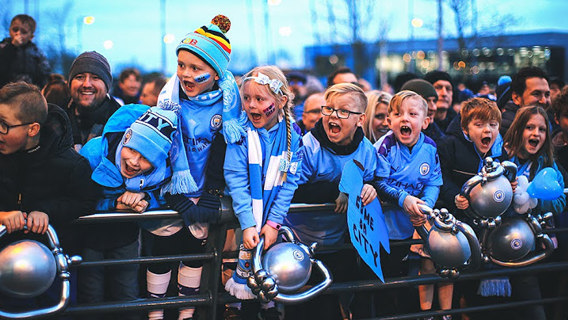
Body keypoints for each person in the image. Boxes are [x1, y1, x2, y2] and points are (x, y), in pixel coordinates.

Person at [155, 14, 245, 320]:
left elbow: (227, 152)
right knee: (160, 257)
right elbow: (157, 149)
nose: (186, 74)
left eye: (196, 68)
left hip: (205, 195)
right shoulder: (167, 100)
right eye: (181, 65)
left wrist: (212, 190)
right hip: (170, 191)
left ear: (216, 72)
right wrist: (168, 188)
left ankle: (187, 316)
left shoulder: (229, 105)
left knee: (194, 257)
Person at [0, 82, 98, 309]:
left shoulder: (72, 165)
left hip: (51, 268)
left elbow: (86, 201)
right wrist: (2, 215)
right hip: (4, 264)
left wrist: (47, 211)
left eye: (4, 125)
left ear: (32, 129)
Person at [285, 83, 377, 320]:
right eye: (329, 109)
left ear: (360, 119)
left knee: (349, 299)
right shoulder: (308, 146)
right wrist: (334, 190)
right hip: (299, 241)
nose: (334, 116)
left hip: (339, 242)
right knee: (306, 309)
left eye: (344, 111)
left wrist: (369, 188)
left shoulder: (366, 150)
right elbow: (291, 189)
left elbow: (377, 179)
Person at [78, 104, 180, 319]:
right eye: (132, 149)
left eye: (146, 158)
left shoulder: (163, 173)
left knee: (127, 297)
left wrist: (145, 198)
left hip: (127, 238)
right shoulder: (93, 153)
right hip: (88, 238)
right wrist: (115, 205)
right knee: (90, 298)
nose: (134, 161)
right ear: (126, 138)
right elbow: (77, 200)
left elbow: (167, 198)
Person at [223, 65, 301, 320]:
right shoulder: (239, 133)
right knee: (231, 272)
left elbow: (289, 181)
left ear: (281, 101)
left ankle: (268, 311)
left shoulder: (293, 136)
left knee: (267, 281)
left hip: (271, 223)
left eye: (260, 99)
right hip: (239, 220)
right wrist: (248, 223)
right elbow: (235, 178)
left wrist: (273, 222)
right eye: (247, 98)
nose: (252, 106)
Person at [437, 98, 512, 320]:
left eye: (492, 125)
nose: (487, 130)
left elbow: (505, 179)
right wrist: (455, 197)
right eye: (479, 124)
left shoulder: (499, 152)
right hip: (458, 230)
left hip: (487, 231)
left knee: (477, 293)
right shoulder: (449, 145)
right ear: (466, 129)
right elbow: (440, 177)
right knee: (456, 283)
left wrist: (510, 184)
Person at [374, 90, 443, 318]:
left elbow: (434, 181)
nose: (405, 118)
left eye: (412, 114)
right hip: (384, 231)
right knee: (386, 289)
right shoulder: (384, 147)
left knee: (411, 287)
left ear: (425, 122)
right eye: (397, 113)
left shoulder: (431, 147)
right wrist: (404, 199)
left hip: (415, 228)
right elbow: (378, 182)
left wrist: (425, 206)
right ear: (389, 120)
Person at [503, 106, 566, 320]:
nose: (535, 134)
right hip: (495, 245)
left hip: (529, 249)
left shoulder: (547, 163)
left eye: (541, 129)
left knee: (534, 311)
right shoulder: (499, 156)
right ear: (519, 129)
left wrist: (534, 199)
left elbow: (561, 200)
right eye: (529, 127)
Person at [66, 51, 121, 151]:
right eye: (80, 77)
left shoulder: (121, 123)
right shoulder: (57, 119)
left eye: (95, 78)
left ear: (107, 86)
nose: (87, 84)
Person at [0, 14, 50, 88]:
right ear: (10, 30)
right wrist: (12, 47)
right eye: (15, 29)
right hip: (5, 91)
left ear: (31, 37)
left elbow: (44, 74)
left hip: (29, 91)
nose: (18, 33)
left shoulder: (36, 53)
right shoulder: (2, 47)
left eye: (24, 32)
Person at [501, 66, 551, 136]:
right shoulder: (506, 130)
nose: (544, 101)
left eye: (547, 94)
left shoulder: (550, 123)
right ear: (516, 98)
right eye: (536, 94)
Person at [401, 79, 444, 143]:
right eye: (427, 101)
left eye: (434, 101)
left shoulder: (441, 141)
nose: (433, 108)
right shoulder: (388, 143)